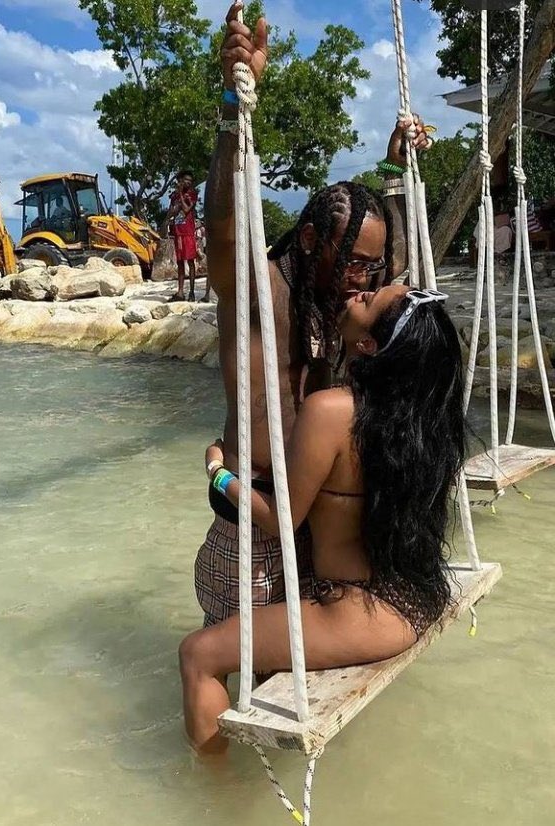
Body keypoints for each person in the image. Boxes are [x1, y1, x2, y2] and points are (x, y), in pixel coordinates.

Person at [195, 2, 431, 630]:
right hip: (255, 527)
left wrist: (393, 170)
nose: (364, 279)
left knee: (307, 673)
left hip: (319, 531)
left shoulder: (345, 306)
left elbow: (399, 270)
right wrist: (233, 110)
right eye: (352, 262)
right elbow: (224, 228)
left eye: (369, 269)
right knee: (238, 670)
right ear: (307, 242)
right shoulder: (260, 290)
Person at [180, 284, 465, 754]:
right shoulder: (421, 419)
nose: (359, 293)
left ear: (368, 344)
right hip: (414, 593)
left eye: (368, 300)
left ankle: (213, 788)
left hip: (365, 610)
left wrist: (218, 472)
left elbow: (279, 522)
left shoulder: (331, 410)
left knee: (198, 654)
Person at [168, 170, 200, 302]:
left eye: (190, 181)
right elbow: (171, 212)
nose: (188, 182)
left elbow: (187, 209)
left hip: (188, 232)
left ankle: (191, 292)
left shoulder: (192, 194)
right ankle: (180, 292)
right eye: (186, 180)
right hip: (178, 232)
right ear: (180, 180)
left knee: (191, 261)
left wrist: (181, 194)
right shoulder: (173, 196)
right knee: (180, 262)